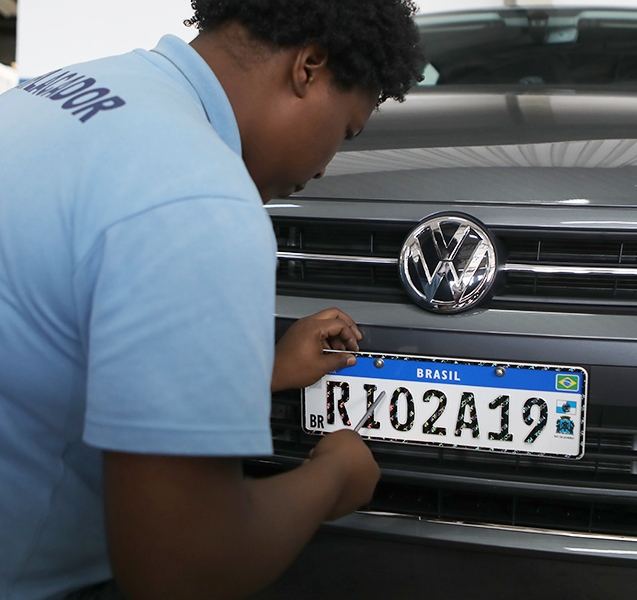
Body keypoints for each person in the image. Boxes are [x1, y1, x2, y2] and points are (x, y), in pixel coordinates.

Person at [0, 1, 423, 599]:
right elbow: (184, 568)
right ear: (310, 67)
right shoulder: (203, 200)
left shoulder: (71, 88)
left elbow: (44, 332)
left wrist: (256, 374)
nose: (328, 166)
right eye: (346, 131)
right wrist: (333, 476)